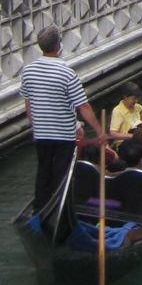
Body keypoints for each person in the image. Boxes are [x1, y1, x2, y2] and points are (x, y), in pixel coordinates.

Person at [20, 26, 107, 213]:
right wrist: (100, 132)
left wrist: (36, 127)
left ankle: (40, 207)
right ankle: (59, 207)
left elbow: (28, 106)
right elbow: (83, 107)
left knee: (43, 171)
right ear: (58, 45)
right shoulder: (67, 73)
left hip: (42, 134)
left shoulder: (28, 71)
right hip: (63, 135)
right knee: (62, 174)